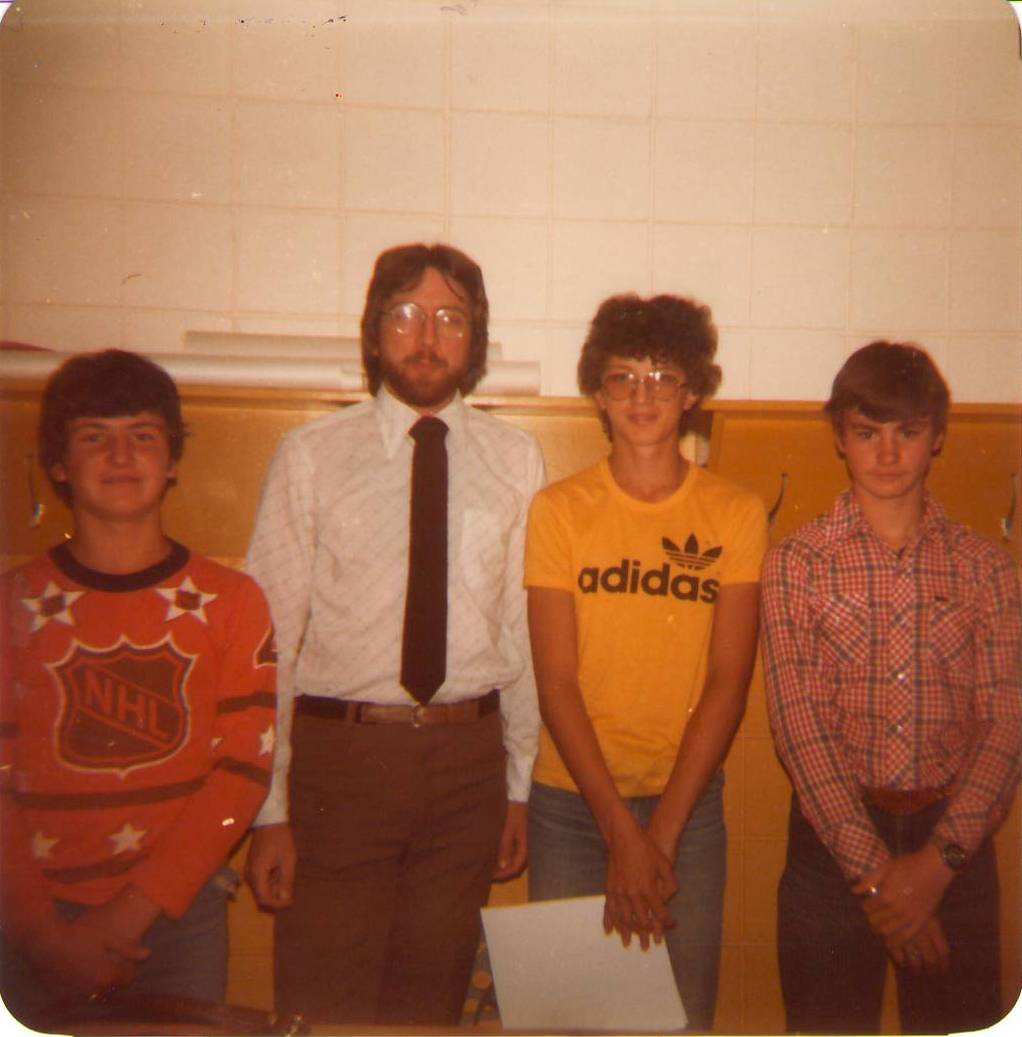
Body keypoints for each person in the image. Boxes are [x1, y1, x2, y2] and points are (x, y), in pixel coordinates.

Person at [243, 242, 544, 1027]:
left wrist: (517, 786)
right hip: (342, 764)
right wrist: (268, 808)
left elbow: (523, 636)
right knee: (325, 997)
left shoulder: (516, 460)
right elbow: (267, 644)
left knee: (429, 1003)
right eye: (406, 315)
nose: (427, 336)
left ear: (473, 340)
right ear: (375, 332)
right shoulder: (312, 456)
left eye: (451, 318)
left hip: (466, 768)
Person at [0, 350, 277, 1029]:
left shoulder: (231, 600)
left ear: (174, 460)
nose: (121, 454)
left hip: (177, 911)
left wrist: (133, 909)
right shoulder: (14, 604)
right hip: (31, 919)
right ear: (58, 463)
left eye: (144, 435)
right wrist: (41, 933)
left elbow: (242, 771)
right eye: (94, 435)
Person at [762, 341, 1022, 1034]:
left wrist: (935, 868)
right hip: (832, 841)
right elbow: (798, 727)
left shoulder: (987, 570)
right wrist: (879, 878)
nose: (887, 453)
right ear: (840, 438)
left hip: (955, 838)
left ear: (937, 437)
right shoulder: (797, 564)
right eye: (868, 433)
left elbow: (1005, 726)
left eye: (906, 433)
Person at [524, 294, 767, 1030]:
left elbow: (728, 682)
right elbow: (556, 683)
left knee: (681, 1020)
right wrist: (621, 835)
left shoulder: (734, 511)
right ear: (598, 392)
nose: (642, 394)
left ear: (693, 391)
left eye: (662, 376)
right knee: (569, 1023)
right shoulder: (558, 510)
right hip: (571, 807)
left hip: (685, 811)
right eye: (624, 376)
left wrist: (656, 836)